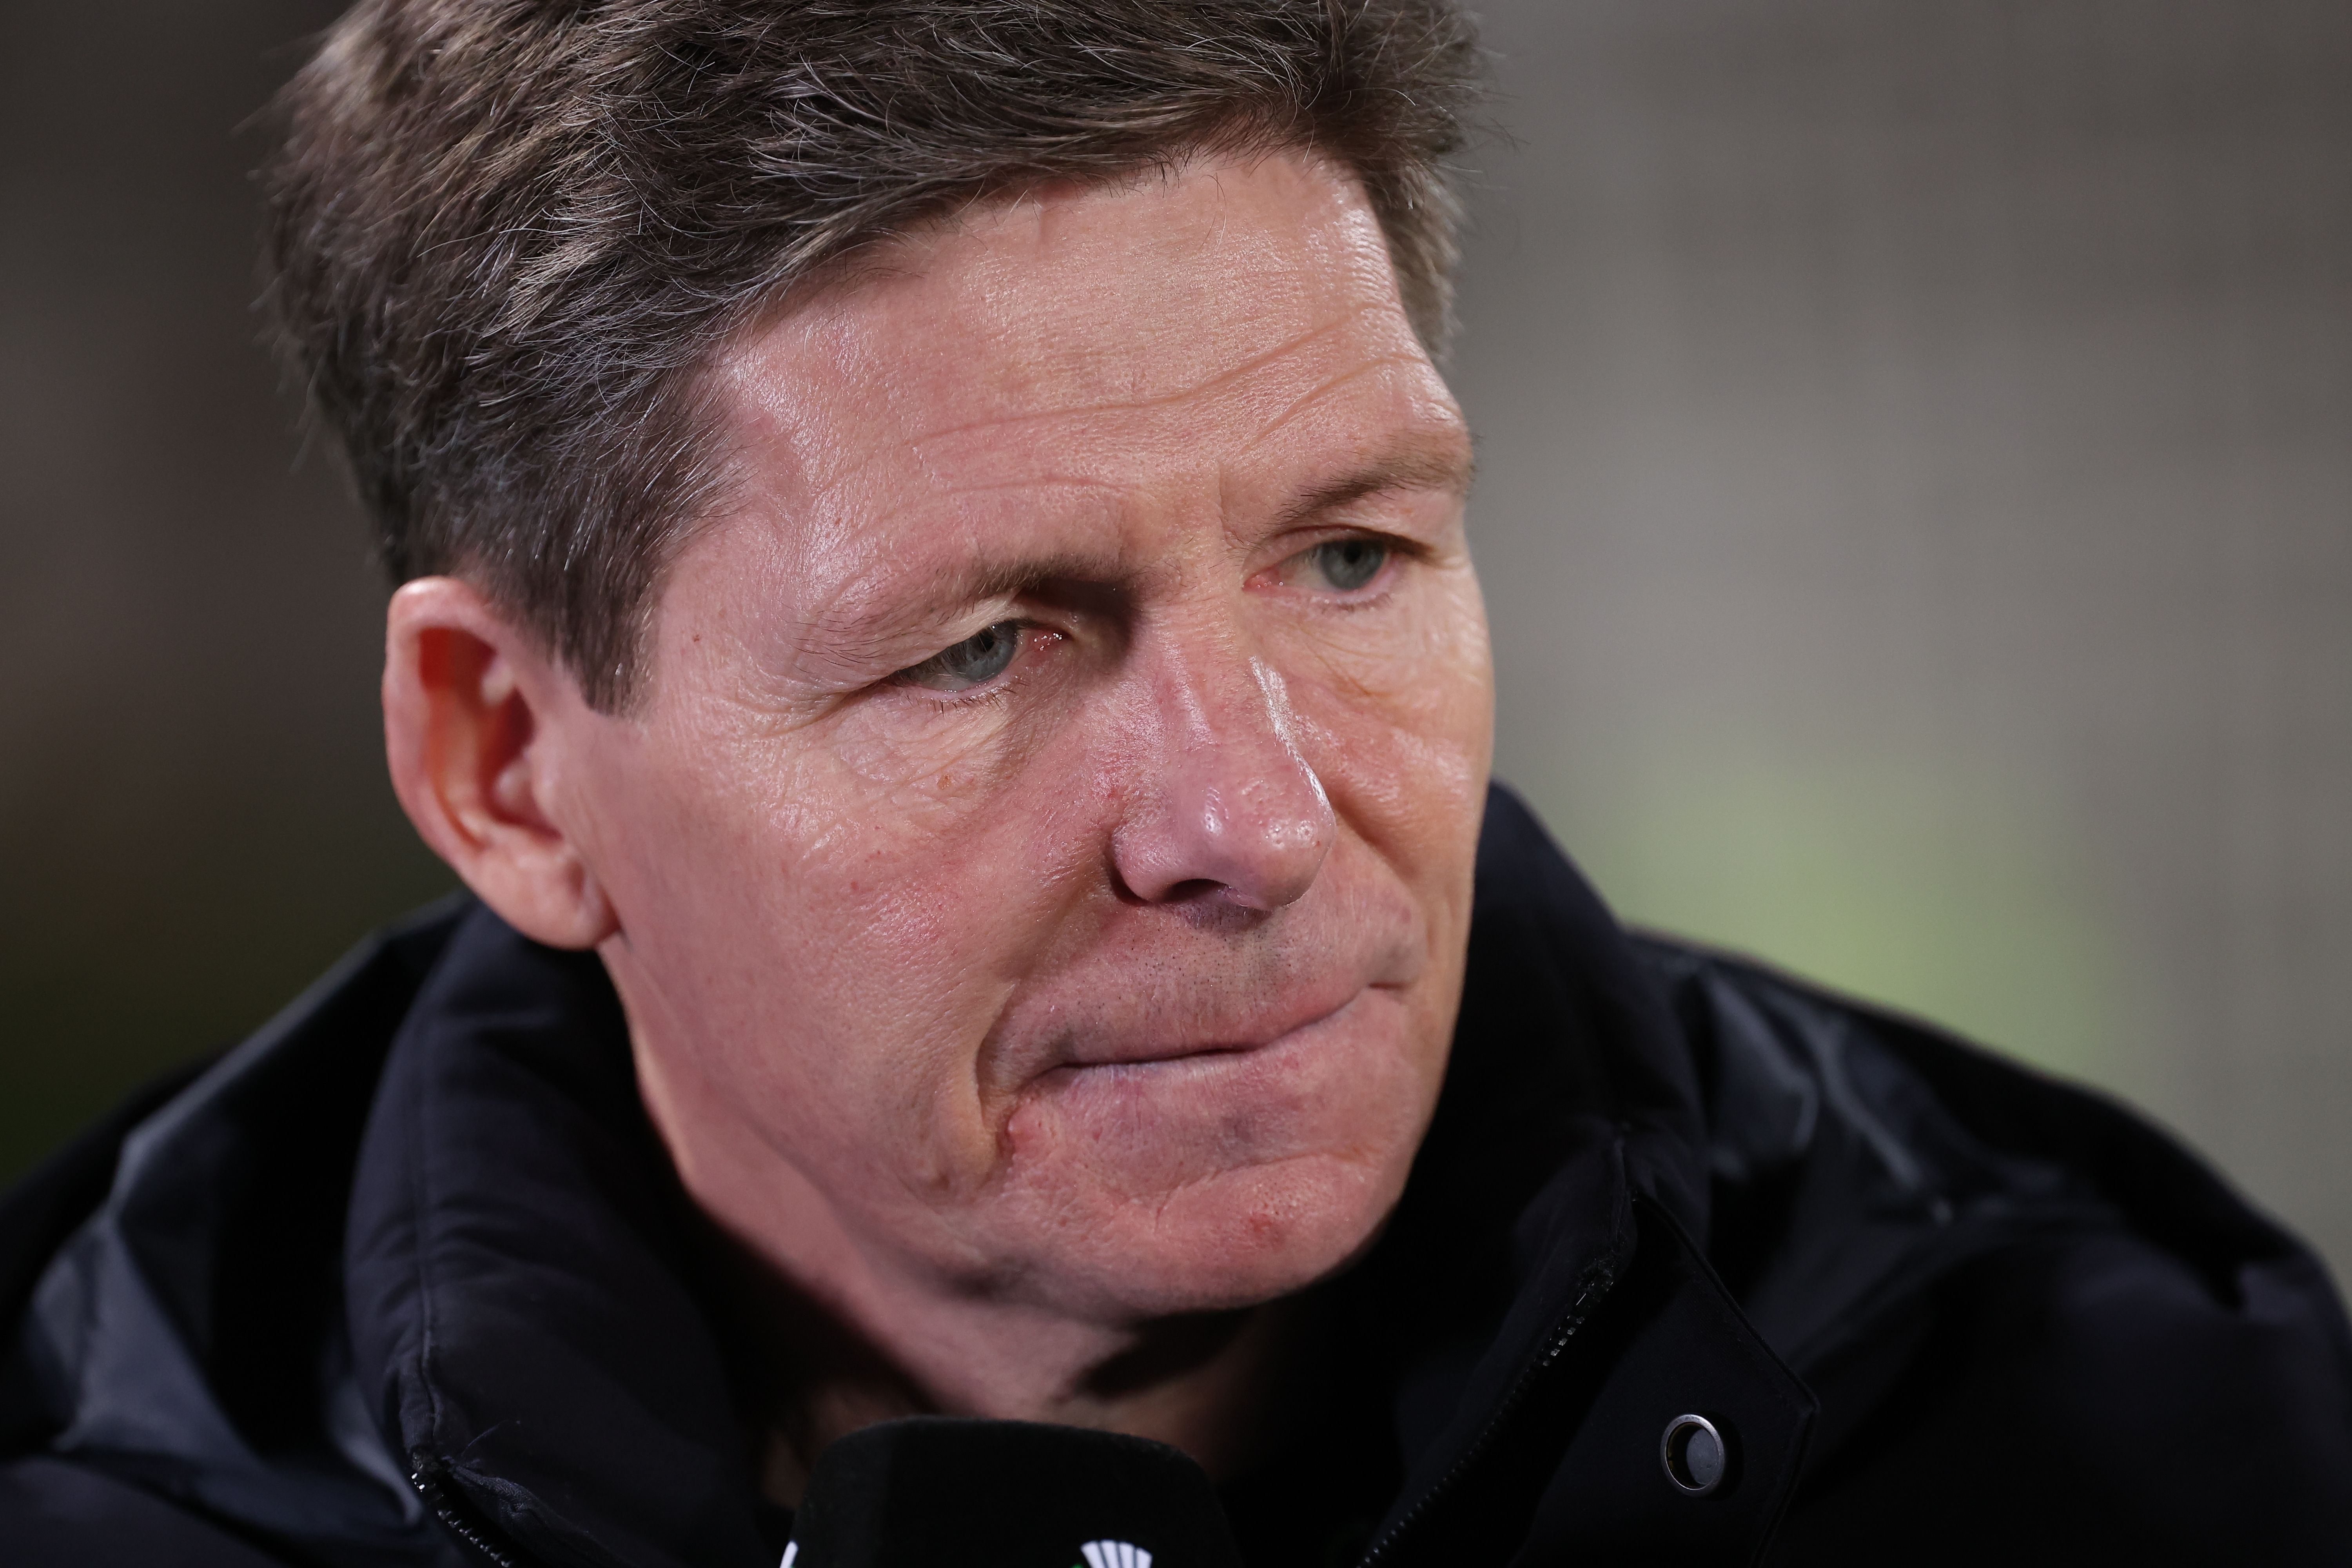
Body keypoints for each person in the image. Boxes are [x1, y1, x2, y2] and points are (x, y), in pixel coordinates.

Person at [3, 2, 2347, 1563]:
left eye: (1351, 556)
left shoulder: (2132, 1437)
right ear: (509, 768)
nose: (1254, 823)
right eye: (983, 647)